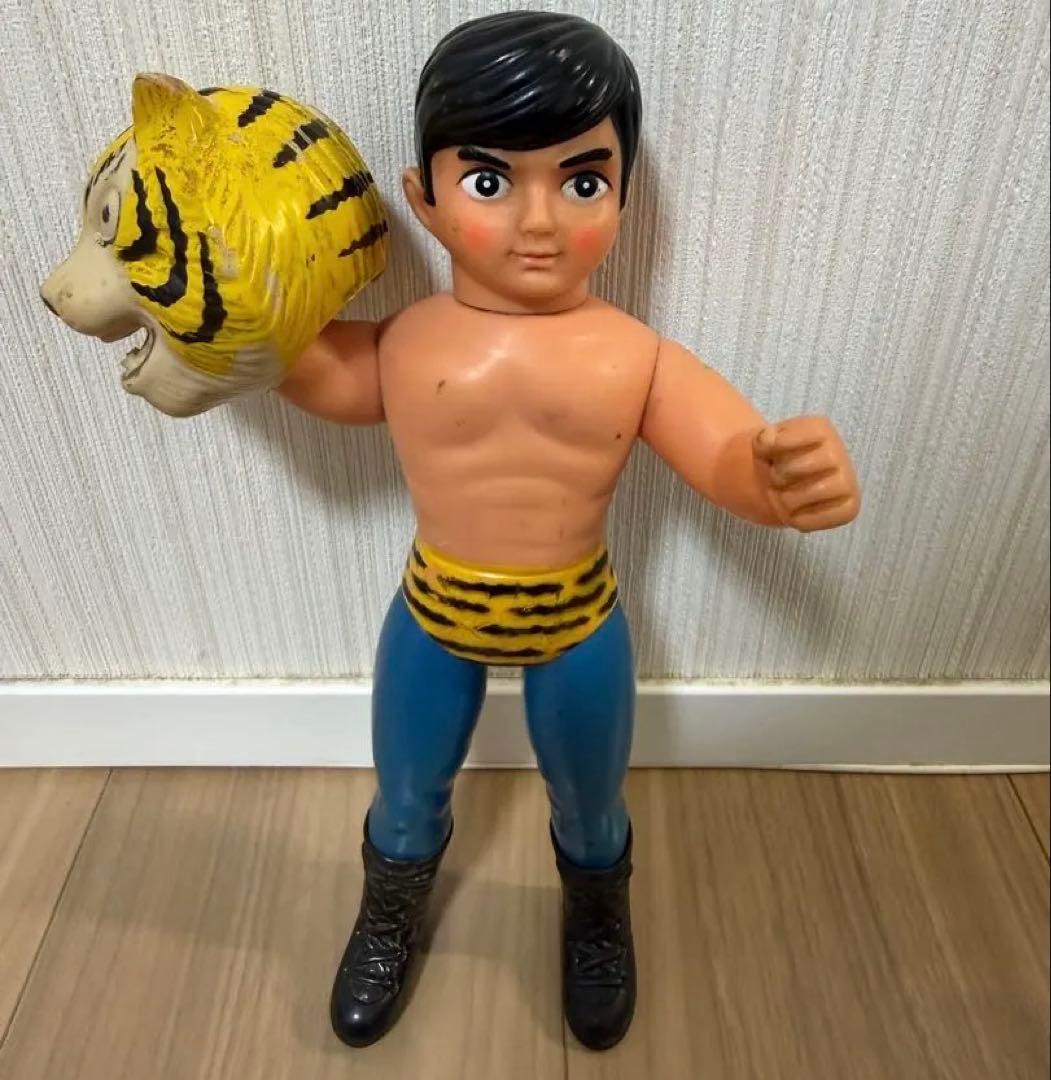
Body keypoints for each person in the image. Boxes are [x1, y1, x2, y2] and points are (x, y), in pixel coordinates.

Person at [277, 11, 860, 1052]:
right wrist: (226, 303)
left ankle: (596, 917)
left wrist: (780, 477)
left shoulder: (632, 357)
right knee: (405, 794)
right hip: (434, 611)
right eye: (489, 181)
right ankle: (390, 910)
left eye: (583, 182)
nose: (538, 221)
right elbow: (311, 369)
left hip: (576, 619)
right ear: (422, 199)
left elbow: (725, 452)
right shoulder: (406, 343)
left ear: (624, 199)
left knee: (591, 803)